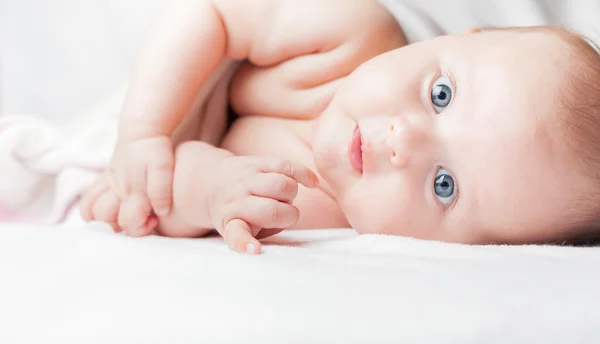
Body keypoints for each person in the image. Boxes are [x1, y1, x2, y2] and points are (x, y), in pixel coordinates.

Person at [80, 0, 600, 254]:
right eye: (441, 94)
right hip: (153, 82)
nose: (404, 143)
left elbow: (172, 205)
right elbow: (213, 11)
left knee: (123, 201)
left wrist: (214, 191)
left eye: (446, 185)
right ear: (457, 39)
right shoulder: (350, 32)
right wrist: (144, 131)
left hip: (122, 149)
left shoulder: (323, 208)